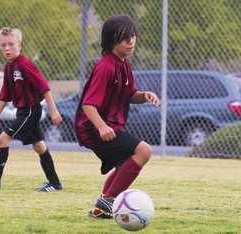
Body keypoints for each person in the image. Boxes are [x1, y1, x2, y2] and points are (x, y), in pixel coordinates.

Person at [74, 15, 160, 219]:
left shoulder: (124, 65)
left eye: (132, 36)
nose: (131, 41)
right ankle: (108, 199)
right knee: (144, 151)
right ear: (112, 41)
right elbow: (88, 104)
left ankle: (100, 209)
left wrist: (144, 96)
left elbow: (130, 95)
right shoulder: (106, 66)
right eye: (124, 38)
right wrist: (102, 127)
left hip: (109, 126)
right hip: (93, 128)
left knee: (125, 165)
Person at [0, 27, 64, 192]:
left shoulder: (24, 64)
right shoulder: (8, 67)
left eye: (11, 44)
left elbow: (44, 87)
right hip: (22, 111)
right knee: (39, 147)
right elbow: (5, 94)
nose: (7, 48)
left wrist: (53, 110)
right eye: (3, 45)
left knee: (3, 139)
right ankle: (55, 183)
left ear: (19, 45)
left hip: (31, 111)